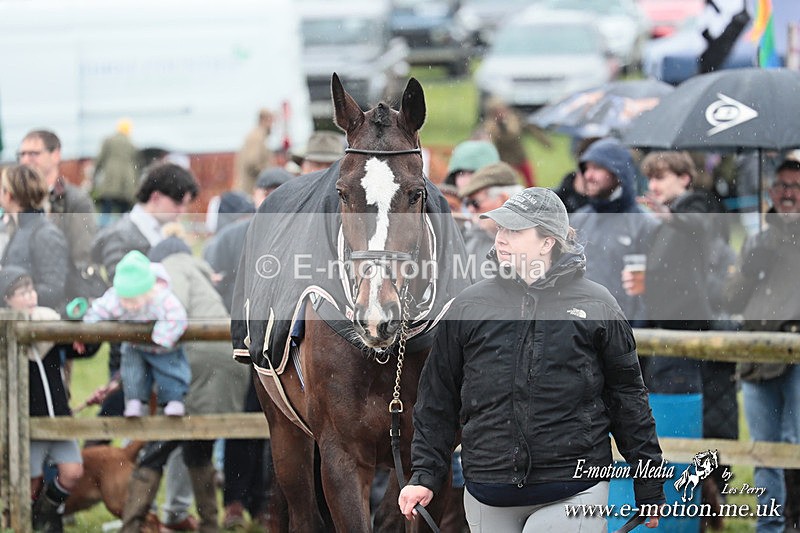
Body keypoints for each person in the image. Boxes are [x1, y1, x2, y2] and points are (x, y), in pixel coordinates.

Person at [398, 187, 665, 532]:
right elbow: (437, 399)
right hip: (487, 490)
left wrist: (650, 485)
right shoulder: (467, 307)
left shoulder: (597, 306)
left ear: (547, 242)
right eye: (501, 229)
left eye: (515, 231)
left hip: (573, 487)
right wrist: (424, 475)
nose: (502, 239)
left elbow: (628, 400)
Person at [724, 156, 800, 533]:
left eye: (796, 187)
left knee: (794, 444)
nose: (788, 194)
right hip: (755, 358)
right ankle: (768, 527)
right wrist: (752, 267)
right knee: (763, 450)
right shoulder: (756, 240)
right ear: (771, 192)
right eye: (782, 186)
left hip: (796, 358)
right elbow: (733, 300)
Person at [0, 266, 97, 533]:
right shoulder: (6, 335)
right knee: (29, 482)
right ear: (7, 300)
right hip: (27, 422)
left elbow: (81, 349)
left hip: (59, 418)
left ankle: (44, 512)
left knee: (72, 471)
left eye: (31, 290)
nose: (30, 297)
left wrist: (83, 338)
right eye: (21, 293)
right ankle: (27, 523)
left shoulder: (50, 325)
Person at [83, 250, 190, 417]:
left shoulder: (160, 298)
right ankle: (134, 401)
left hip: (163, 347)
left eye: (133, 300)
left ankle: (173, 400)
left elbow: (177, 316)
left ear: (146, 291)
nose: (128, 305)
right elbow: (100, 308)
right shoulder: (117, 299)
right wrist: (88, 327)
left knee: (170, 372)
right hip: (134, 345)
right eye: (124, 299)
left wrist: (161, 338)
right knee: (131, 372)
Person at [569, 138, 658, 325]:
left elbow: (650, 291)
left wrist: (636, 339)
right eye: (586, 168)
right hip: (581, 333)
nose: (589, 175)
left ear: (618, 172)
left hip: (626, 336)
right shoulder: (577, 220)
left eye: (597, 168)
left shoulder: (646, 224)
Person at [17, 130, 98, 292]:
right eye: (22, 154)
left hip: (62, 291)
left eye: (33, 154)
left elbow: (82, 255)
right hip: (22, 291)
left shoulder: (75, 201)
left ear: (55, 155)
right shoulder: (16, 200)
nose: (25, 160)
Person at [0, 164, 69, 311]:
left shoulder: (45, 234)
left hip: (38, 328)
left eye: (2, 188)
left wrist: (17, 294)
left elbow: (54, 290)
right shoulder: (21, 229)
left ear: (9, 194)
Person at [458, 161, 523, 277]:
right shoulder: (472, 240)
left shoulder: (533, 241)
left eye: (475, 202)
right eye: (467, 203)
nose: (470, 209)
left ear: (503, 199)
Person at [92, 118, 140, 227]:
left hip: (111, 178)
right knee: (124, 209)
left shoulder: (109, 140)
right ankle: (123, 229)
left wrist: (95, 173)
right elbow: (137, 165)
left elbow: (100, 159)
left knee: (106, 207)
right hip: (127, 180)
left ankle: (102, 229)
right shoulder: (132, 144)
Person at [480, 97, 536, 187]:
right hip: (505, 160)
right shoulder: (490, 124)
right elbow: (488, 136)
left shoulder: (513, 118)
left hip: (520, 156)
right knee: (508, 184)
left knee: (530, 183)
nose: (500, 113)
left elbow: (514, 132)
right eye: (497, 111)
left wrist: (503, 124)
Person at [235, 108, 275, 194]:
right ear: (264, 120)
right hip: (251, 190)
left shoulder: (256, 135)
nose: (273, 125)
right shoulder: (257, 137)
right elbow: (252, 163)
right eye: (271, 121)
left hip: (251, 190)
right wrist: (269, 176)